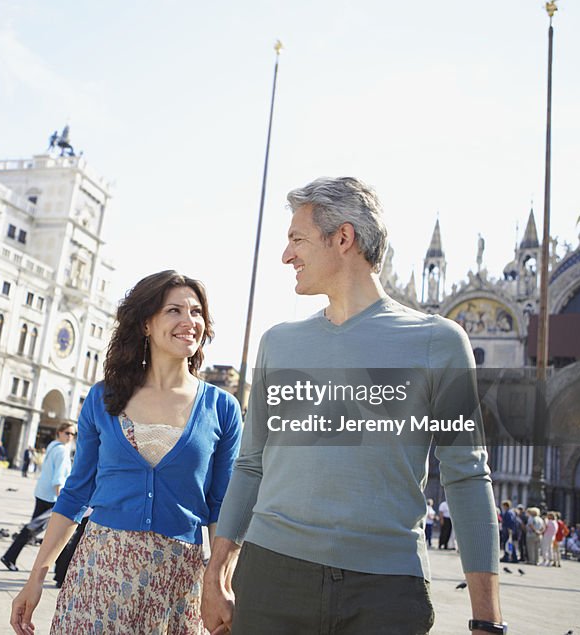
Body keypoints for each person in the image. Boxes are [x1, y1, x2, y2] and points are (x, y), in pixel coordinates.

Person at [202, 177, 502, 635]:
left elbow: (466, 474)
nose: (286, 256)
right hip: (269, 581)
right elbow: (250, 464)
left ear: (343, 238)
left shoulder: (439, 343)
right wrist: (217, 571)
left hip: (385, 592)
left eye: (296, 239)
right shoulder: (278, 343)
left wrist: (488, 618)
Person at [9, 270, 242, 635]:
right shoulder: (104, 399)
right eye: (174, 311)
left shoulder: (222, 408)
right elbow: (75, 493)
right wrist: (35, 578)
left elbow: (224, 508)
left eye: (196, 312)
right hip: (100, 572)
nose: (189, 321)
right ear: (146, 324)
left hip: (177, 582)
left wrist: (220, 583)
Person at [0, 422, 76, 571]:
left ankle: (11, 556)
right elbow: (59, 477)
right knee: (57, 533)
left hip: (42, 493)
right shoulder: (61, 451)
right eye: (67, 433)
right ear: (59, 432)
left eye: (73, 434)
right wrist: (61, 497)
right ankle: (59, 570)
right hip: (52, 497)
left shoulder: (52, 446)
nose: (70, 437)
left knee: (36, 528)